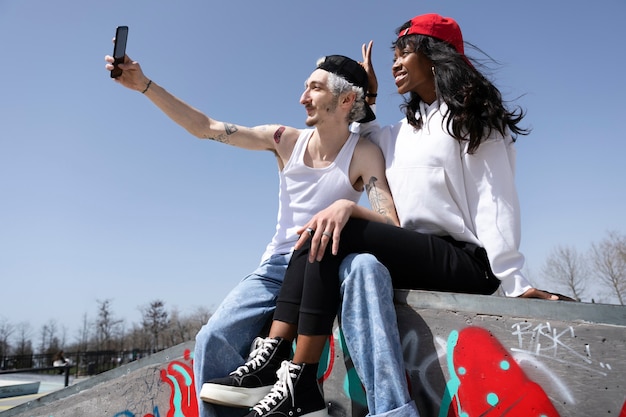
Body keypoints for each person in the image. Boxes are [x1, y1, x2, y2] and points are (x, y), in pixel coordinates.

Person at [281, 13, 574, 417]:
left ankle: (300, 378)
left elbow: (495, 198)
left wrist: (515, 280)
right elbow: (366, 135)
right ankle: (280, 363)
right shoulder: (401, 131)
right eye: (393, 55)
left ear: (435, 56)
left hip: (464, 261)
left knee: (339, 227)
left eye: (405, 52)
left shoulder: (470, 117)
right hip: (417, 254)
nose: (395, 63)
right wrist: (370, 96)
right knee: (318, 235)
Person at [104, 49, 397, 417]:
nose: (302, 97)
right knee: (212, 338)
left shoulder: (363, 153)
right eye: (305, 87)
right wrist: (144, 85)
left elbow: (392, 225)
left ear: (345, 100)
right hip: (277, 268)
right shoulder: (284, 139)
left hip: (326, 266)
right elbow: (206, 128)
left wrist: (348, 209)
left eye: (315, 88)